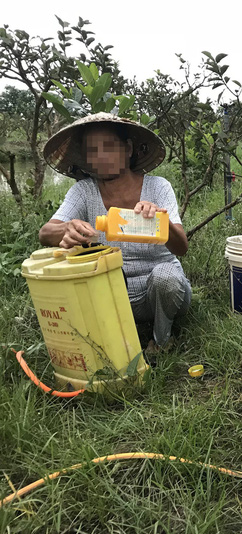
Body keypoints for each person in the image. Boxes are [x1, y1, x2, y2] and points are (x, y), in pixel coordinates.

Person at [39, 113, 191, 355]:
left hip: (162, 293)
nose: (101, 157)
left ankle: (161, 340)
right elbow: (46, 233)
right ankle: (113, 336)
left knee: (165, 277)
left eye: (109, 147)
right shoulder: (83, 191)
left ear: (128, 148)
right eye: (92, 151)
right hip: (110, 293)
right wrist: (66, 229)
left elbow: (181, 247)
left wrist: (160, 221)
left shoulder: (158, 187)